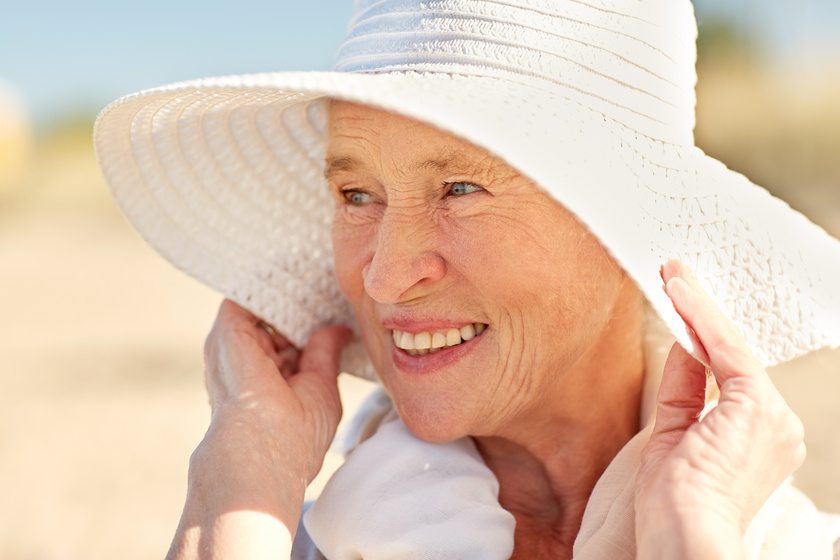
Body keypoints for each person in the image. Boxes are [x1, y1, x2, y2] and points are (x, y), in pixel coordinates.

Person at [93, 0, 840, 558]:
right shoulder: (285, 531)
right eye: (357, 195)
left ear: (626, 231)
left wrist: (689, 535)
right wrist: (240, 476)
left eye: (459, 189)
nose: (384, 277)